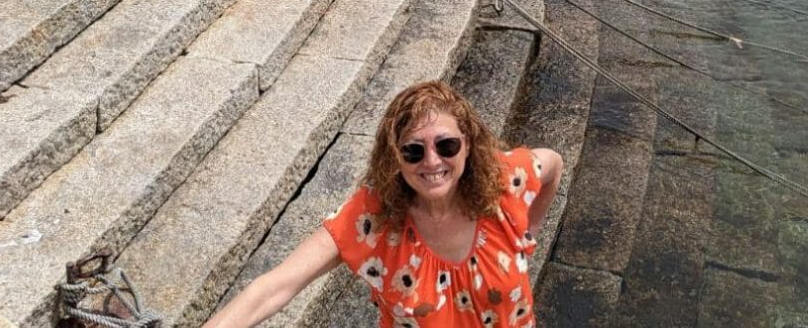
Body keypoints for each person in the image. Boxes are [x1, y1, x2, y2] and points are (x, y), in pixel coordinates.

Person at [202, 80, 562, 328]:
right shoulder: (372, 219)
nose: (433, 162)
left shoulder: (505, 182)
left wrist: (529, 230)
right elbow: (274, 287)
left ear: (467, 143)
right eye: (413, 151)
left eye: (447, 145)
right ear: (394, 156)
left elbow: (553, 164)